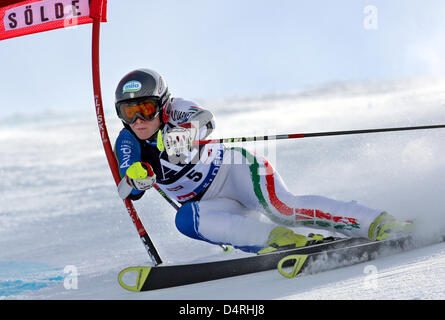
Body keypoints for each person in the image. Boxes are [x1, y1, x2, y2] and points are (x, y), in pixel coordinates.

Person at [114, 68, 413, 254]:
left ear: (162, 104)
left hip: (236, 172)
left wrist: (187, 131)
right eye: (129, 112)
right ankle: (278, 241)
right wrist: (136, 179)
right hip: (214, 204)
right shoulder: (128, 141)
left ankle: (376, 222)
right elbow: (128, 189)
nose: (139, 119)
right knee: (186, 220)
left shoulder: (176, 110)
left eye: (146, 108)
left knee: (280, 208)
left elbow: (205, 120)